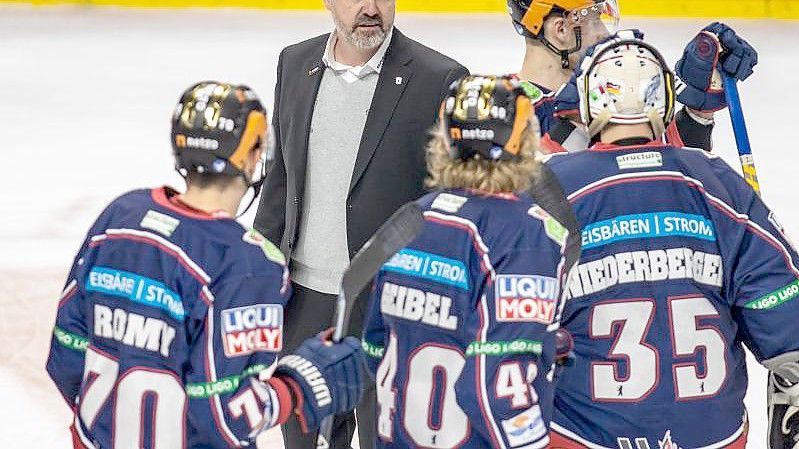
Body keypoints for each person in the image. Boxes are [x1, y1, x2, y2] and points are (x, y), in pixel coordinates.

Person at [46, 81, 366, 449]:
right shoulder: (249, 263)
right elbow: (222, 417)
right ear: (251, 155)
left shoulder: (119, 218)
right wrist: (295, 388)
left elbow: (66, 357)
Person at [541, 35, 799, 448]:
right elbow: (785, 314)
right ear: (663, 102)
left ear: (588, 104)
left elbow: (502, 321)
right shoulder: (717, 184)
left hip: (582, 436)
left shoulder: (551, 189)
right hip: (714, 437)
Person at [253, 1, 467, 448]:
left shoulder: (440, 78)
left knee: (380, 438)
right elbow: (281, 178)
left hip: (387, 303)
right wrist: (259, 274)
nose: (370, 8)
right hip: (303, 301)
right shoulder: (295, 62)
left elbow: (447, 205)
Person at [361, 74, 581, 449]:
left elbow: (375, 345)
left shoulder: (411, 218)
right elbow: (496, 382)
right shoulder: (527, 235)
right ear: (522, 140)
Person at [505, 0, 758, 153]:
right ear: (561, 29)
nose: (605, 33)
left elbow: (672, 180)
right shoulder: (506, 114)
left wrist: (698, 116)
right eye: (594, 19)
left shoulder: (623, 90)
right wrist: (574, 123)